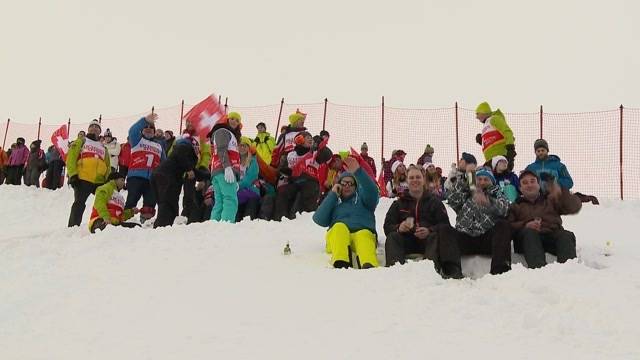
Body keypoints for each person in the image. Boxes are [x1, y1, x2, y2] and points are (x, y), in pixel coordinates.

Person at [383, 165, 461, 278]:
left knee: (436, 236)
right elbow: (387, 227)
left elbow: (445, 225)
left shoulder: (435, 202)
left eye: (418, 177)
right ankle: (395, 272)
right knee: (393, 237)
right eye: (412, 178)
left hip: (428, 242)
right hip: (407, 240)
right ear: (407, 180)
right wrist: (399, 227)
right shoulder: (398, 204)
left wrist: (429, 230)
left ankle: (432, 271)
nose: (415, 180)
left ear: (423, 179)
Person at [442, 166, 512, 275]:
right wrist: (468, 178)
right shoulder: (466, 194)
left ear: (492, 181)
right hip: (464, 237)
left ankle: (500, 269)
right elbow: (451, 199)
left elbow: (505, 209)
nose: (482, 182)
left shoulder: (498, 194)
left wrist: (489, 202)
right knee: (445, 229)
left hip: (487, 239)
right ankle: (452, 269)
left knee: (503, 225)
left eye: (486, 179)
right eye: (479, 179)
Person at [313, 157, 380, 269]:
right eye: (344, 183)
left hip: (362, 232)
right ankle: (341, 261)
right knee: (339, 227)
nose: (347, 186)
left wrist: (358, 172)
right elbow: (319, 219)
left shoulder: (364, 199)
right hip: (338, 236)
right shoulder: (334, 202)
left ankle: (369, 264)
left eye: (351, 183)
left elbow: (372, 191)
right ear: (339, 185)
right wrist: (333, 195)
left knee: (363, 234)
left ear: (356, 187)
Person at [508, 170, 582, 268]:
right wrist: (525, 225)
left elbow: (574, 207)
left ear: (538, 185)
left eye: (532, 181)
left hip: (551, 236)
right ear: (520, 189)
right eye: (525, 183)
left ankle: (569, 269)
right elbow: (508, 225)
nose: (529, 185)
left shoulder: (550, 200)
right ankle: (539, 270)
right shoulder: (515, 206)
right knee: (530, 234)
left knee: (566, 235)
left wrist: (560, 193)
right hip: (527, 241)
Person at [152, 135, 209, 228]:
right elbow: (181, 154)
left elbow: (195, 172)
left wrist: (208, 176)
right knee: (167, 205)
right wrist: (188, 168)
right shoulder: (185, 146)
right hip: (166, 177)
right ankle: (161, 228)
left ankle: (165, 227)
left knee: (171, 206)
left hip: (163, 178)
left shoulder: (185, 155)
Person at [273, 131, 332, 221]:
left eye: (311, 138)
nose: (310, 139)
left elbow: (328, 155)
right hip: (294, 182)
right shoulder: (290, 155)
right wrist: (284, 170)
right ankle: (280, 219)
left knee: (306, 196)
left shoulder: (315, 153)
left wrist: (320, 144)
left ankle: (303, 220)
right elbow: (284, 170)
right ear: (299, 140)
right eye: (307, 137)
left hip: (310, 182)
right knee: (283, 195)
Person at [66, 120, 111, 227]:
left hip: (99, 181)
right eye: (92, 126)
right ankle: (73, 226)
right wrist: (73, 174)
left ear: (100, 131)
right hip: (83, 178)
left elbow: (107, 166)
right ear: (88, 129)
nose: (94, 128)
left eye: (97, 127)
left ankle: (101, 223)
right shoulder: (82, 141)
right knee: (79, 203)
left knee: (103, 202)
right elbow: (71, 157)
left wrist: (107, 180)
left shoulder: (103, 147)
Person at [124, 113, 166, 223]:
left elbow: (164, 164)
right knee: (132, 200)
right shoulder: (137, 140)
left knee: (150, 203)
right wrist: (145, 120)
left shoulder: (159, 145)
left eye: (151, 128)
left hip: (152, 179)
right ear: (141, 130)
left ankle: (146, 223)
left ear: (154, 131)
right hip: (136, 176)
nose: (148, 129)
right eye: (146, 127)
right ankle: (126, 221)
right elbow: (132, 130)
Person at [209, 111, 243, 223]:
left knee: (220, 201)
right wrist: (227, 167)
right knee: (230, 199)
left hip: (219, 171)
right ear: (227, 119)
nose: (234, 121)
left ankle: (215, 224)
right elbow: (222, 149)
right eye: (232, 118)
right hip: (224, 170)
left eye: (237, 120)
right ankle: (227, 225)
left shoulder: (229, 134)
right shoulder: (223, 131)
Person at [475, 102, 516, 171]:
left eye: (477, 114)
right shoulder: (486, 125)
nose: (476, 117)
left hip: (500, 157)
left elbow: (507, 132)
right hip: (490, 160)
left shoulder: (494, 119)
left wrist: (510, 149)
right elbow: (493, 140)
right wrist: (482, 141)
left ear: (483, 111)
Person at [236, 136, 261, 221]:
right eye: (240, 145)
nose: (242, 148)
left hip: (252, 190)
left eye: (245, 146)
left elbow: (248, 181)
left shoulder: (253, 162)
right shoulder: (235, 162)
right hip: (240, 190)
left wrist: (235, 186)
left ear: (248, 148)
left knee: (231, 198)